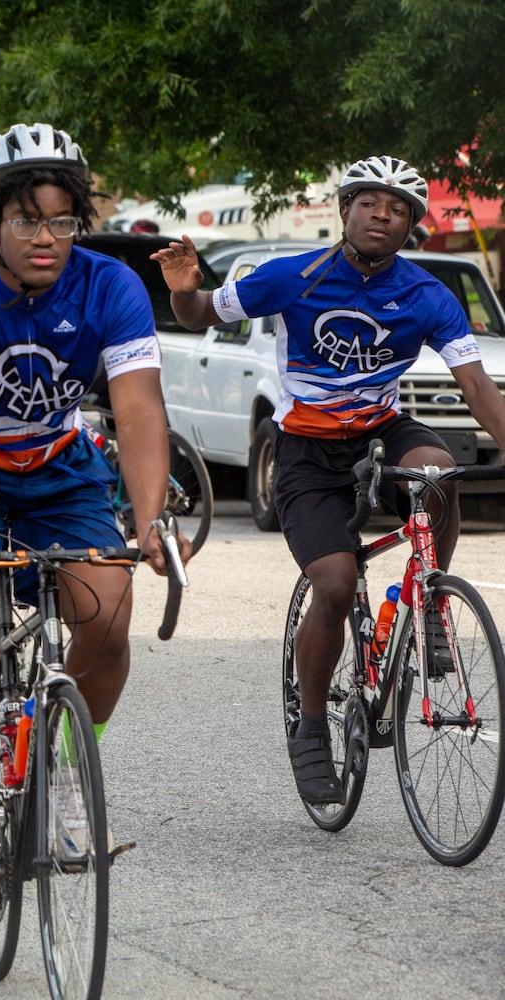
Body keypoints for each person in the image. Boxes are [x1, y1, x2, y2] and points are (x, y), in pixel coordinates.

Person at [153, 154, 505, 806]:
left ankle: (430, 600)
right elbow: (202, 311)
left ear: (411, 228)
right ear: (345, 210)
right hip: (306, 452)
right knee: (337, 584)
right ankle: (312, 727)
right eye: (369, 202)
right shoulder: (293, 277)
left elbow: (479, 388)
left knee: (436, 472)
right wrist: (182, 285)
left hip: (379, 433)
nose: (382, 214)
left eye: (397, 208)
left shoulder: (428, 295)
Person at [0, 122, 185, 875]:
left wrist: (151, 519)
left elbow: (141, 410)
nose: (45, 237)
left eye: (61, 219)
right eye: (27, 219)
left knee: (111, 610)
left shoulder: (110, 286)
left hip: (60, 465)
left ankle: (64, 778)